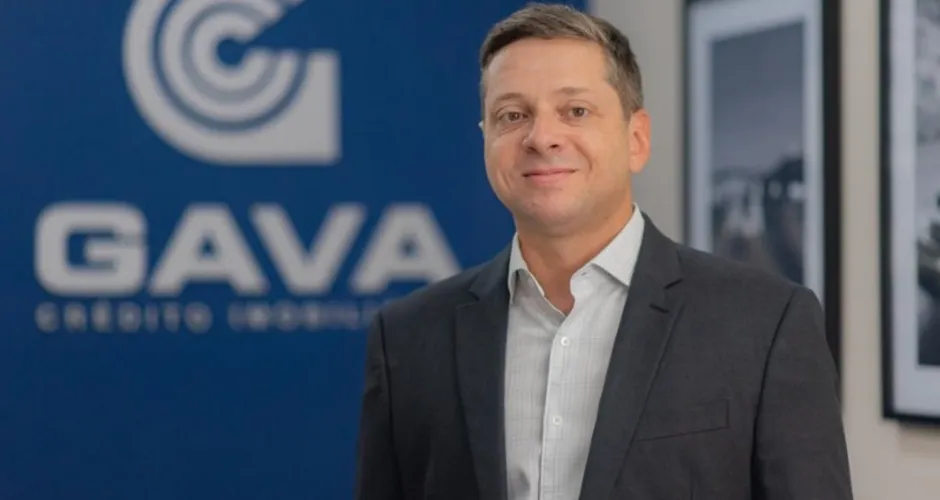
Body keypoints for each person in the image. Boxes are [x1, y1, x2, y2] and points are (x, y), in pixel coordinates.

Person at [354, 3, 853, 499]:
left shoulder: (765, 324)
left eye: (576, 111)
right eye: (513, 115)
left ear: (636, 139)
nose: (541, 137)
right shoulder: (408, 339)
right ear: (487, 139)